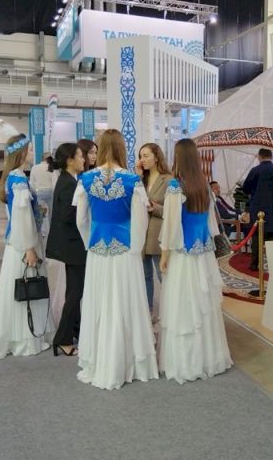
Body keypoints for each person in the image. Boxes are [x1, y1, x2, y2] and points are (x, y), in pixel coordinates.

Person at [73, 129, 158, 389]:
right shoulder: (133, 181)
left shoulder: (86, 179)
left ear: (100, 148)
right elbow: (141, 222)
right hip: (125, 251)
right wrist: (135, 248)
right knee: (125, 300)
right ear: (122, 148)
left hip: (98, 250)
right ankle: (128, 358)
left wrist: (90, 243)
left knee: (100, 301)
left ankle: (100, 358)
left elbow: (81, 220)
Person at [159, 138, 233, 384]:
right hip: (204, 254)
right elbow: (211, 224)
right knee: (204, 305)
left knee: (184, 306)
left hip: (184, 254)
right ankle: (209, 357)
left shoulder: (176, 186)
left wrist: (165, 253)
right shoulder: (204, 185)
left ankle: (186, 362)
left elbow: (171, 225)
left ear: (178, 157)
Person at [0, 134, 54, 360]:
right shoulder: (19, 179)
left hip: (19, 240)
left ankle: (25, 336)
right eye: (30, 149)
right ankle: (26, 339)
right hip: (24, 243)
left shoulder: (15, 177)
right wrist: (29, 247)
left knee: (23, 286)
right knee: (27, 286)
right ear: (22, 152)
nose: (33, 152)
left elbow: (20, 213)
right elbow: (21, 217)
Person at [45, 144, 87, 357]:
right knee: (75, 292)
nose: (84, 159)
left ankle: (75, 331)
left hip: (72, 244)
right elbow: (69, 216)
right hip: (72, 245)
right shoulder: (68, 184)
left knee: (75, 291)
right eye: (80, 156)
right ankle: (63, 339)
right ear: (70, 160)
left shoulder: (69, 180)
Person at [135, 143, 172, 314]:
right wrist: (138, 177)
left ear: (156, 157)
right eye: (140, 156)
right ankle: (147, 311)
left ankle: (170, 311)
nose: (142, 160)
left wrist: (156, 208)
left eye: (146, 156)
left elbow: (176, 211)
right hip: (141, 233)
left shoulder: (168, 180)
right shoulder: (140, 180)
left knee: (163, 274)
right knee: (144, 276)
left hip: (159, 234)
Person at [242, 148, 273, 270]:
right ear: (271, 156)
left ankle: (254, 265)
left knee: (256, 237)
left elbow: (245, 188)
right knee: (272, 237)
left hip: (257, 209)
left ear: (259, 156)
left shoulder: (255, 171)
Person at [29, 152, 54, 236]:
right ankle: (52, 231)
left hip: (39, 193)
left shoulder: (34, 168)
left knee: (42, 213)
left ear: (42, 158)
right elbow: (55, 182)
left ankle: (43, 232)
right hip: (50, 192)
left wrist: (34, 193)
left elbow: (32, 182)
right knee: (51, 213)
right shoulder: (52, 168)